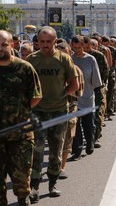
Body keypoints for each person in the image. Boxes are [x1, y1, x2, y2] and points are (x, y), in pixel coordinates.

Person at [26, 26, 79, 203]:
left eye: (49, 42)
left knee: (56, 151)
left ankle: (52, 184)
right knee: (37, 151)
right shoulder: (32, 60)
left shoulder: (64, 59)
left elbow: (74, 84)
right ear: (38, 42)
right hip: (38, 112)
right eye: (42, 42)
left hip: (58, 112)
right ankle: (34, 187)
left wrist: (62, 96)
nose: (45, 45)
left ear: (55, 41)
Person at [0, 30, 42, 206]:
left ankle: (23, 200)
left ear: (12, 45)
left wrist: (20, 112)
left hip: (21, 136)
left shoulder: (24, 68)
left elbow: (36, 95)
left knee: (22, 181)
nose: (0, 49)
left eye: (3, 44)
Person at [55, 41, 84, 179]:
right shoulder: (50, 69)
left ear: (69, 52)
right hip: (51, 110)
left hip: (70, 108)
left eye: (63, 51)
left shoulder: (75, 70)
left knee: (67, 139)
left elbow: (79, 92)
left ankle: (61, 168)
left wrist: (64, 91)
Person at [70, 35, 102, 160]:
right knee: (76, 127)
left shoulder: (91, 59)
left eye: (79, 47)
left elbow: (96, 80)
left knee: (88, 125)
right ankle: (77, 151)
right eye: (75, 47)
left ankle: (90, 143)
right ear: (71, 46)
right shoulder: (69, 59)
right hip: (74, 99)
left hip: (88, 97)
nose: (77, 50)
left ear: (83, 46)